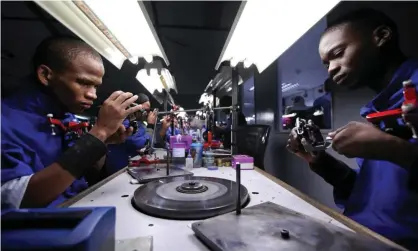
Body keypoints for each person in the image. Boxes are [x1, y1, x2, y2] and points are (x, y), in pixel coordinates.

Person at [287, 9, 418, 249]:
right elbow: (376, 199)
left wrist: (396, 150)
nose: (331, 69)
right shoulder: (379, 109)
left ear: (381, 36)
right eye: (326, 64)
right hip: (360, 237)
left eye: (337, 54)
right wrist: (325, 165)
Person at [1, 37, 143, 209]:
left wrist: (102, 141)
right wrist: (100, 131)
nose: (93, 95)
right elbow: (19, 200)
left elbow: (81, 175)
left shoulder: (65, 118)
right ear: (46, 75)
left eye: (96, 86)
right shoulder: (5, 121)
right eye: (83, 82)